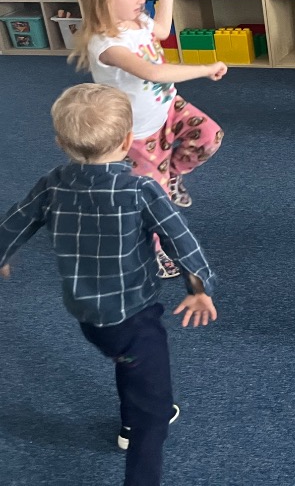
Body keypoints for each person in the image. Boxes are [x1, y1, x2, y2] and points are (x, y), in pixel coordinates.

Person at [0, 83, 218, 486]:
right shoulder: (141, 188)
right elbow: (179, 238)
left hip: (86, 315)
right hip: (133, 317)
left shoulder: (52, 182)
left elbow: (17, 220)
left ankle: (129, 420)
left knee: (128, 362)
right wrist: (198, 286)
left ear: (60, 142)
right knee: (155, 411)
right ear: (126, 140)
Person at [70, 0, 227, 278]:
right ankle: (153, 250)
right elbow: (152, 72)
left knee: (209, 136)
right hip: (138, 133)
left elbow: (162, 31)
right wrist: (204, 68)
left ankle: (173, 173)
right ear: (104, 0)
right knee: (152, 199)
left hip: (168, 107)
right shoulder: (106, 45)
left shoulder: (138, 20)